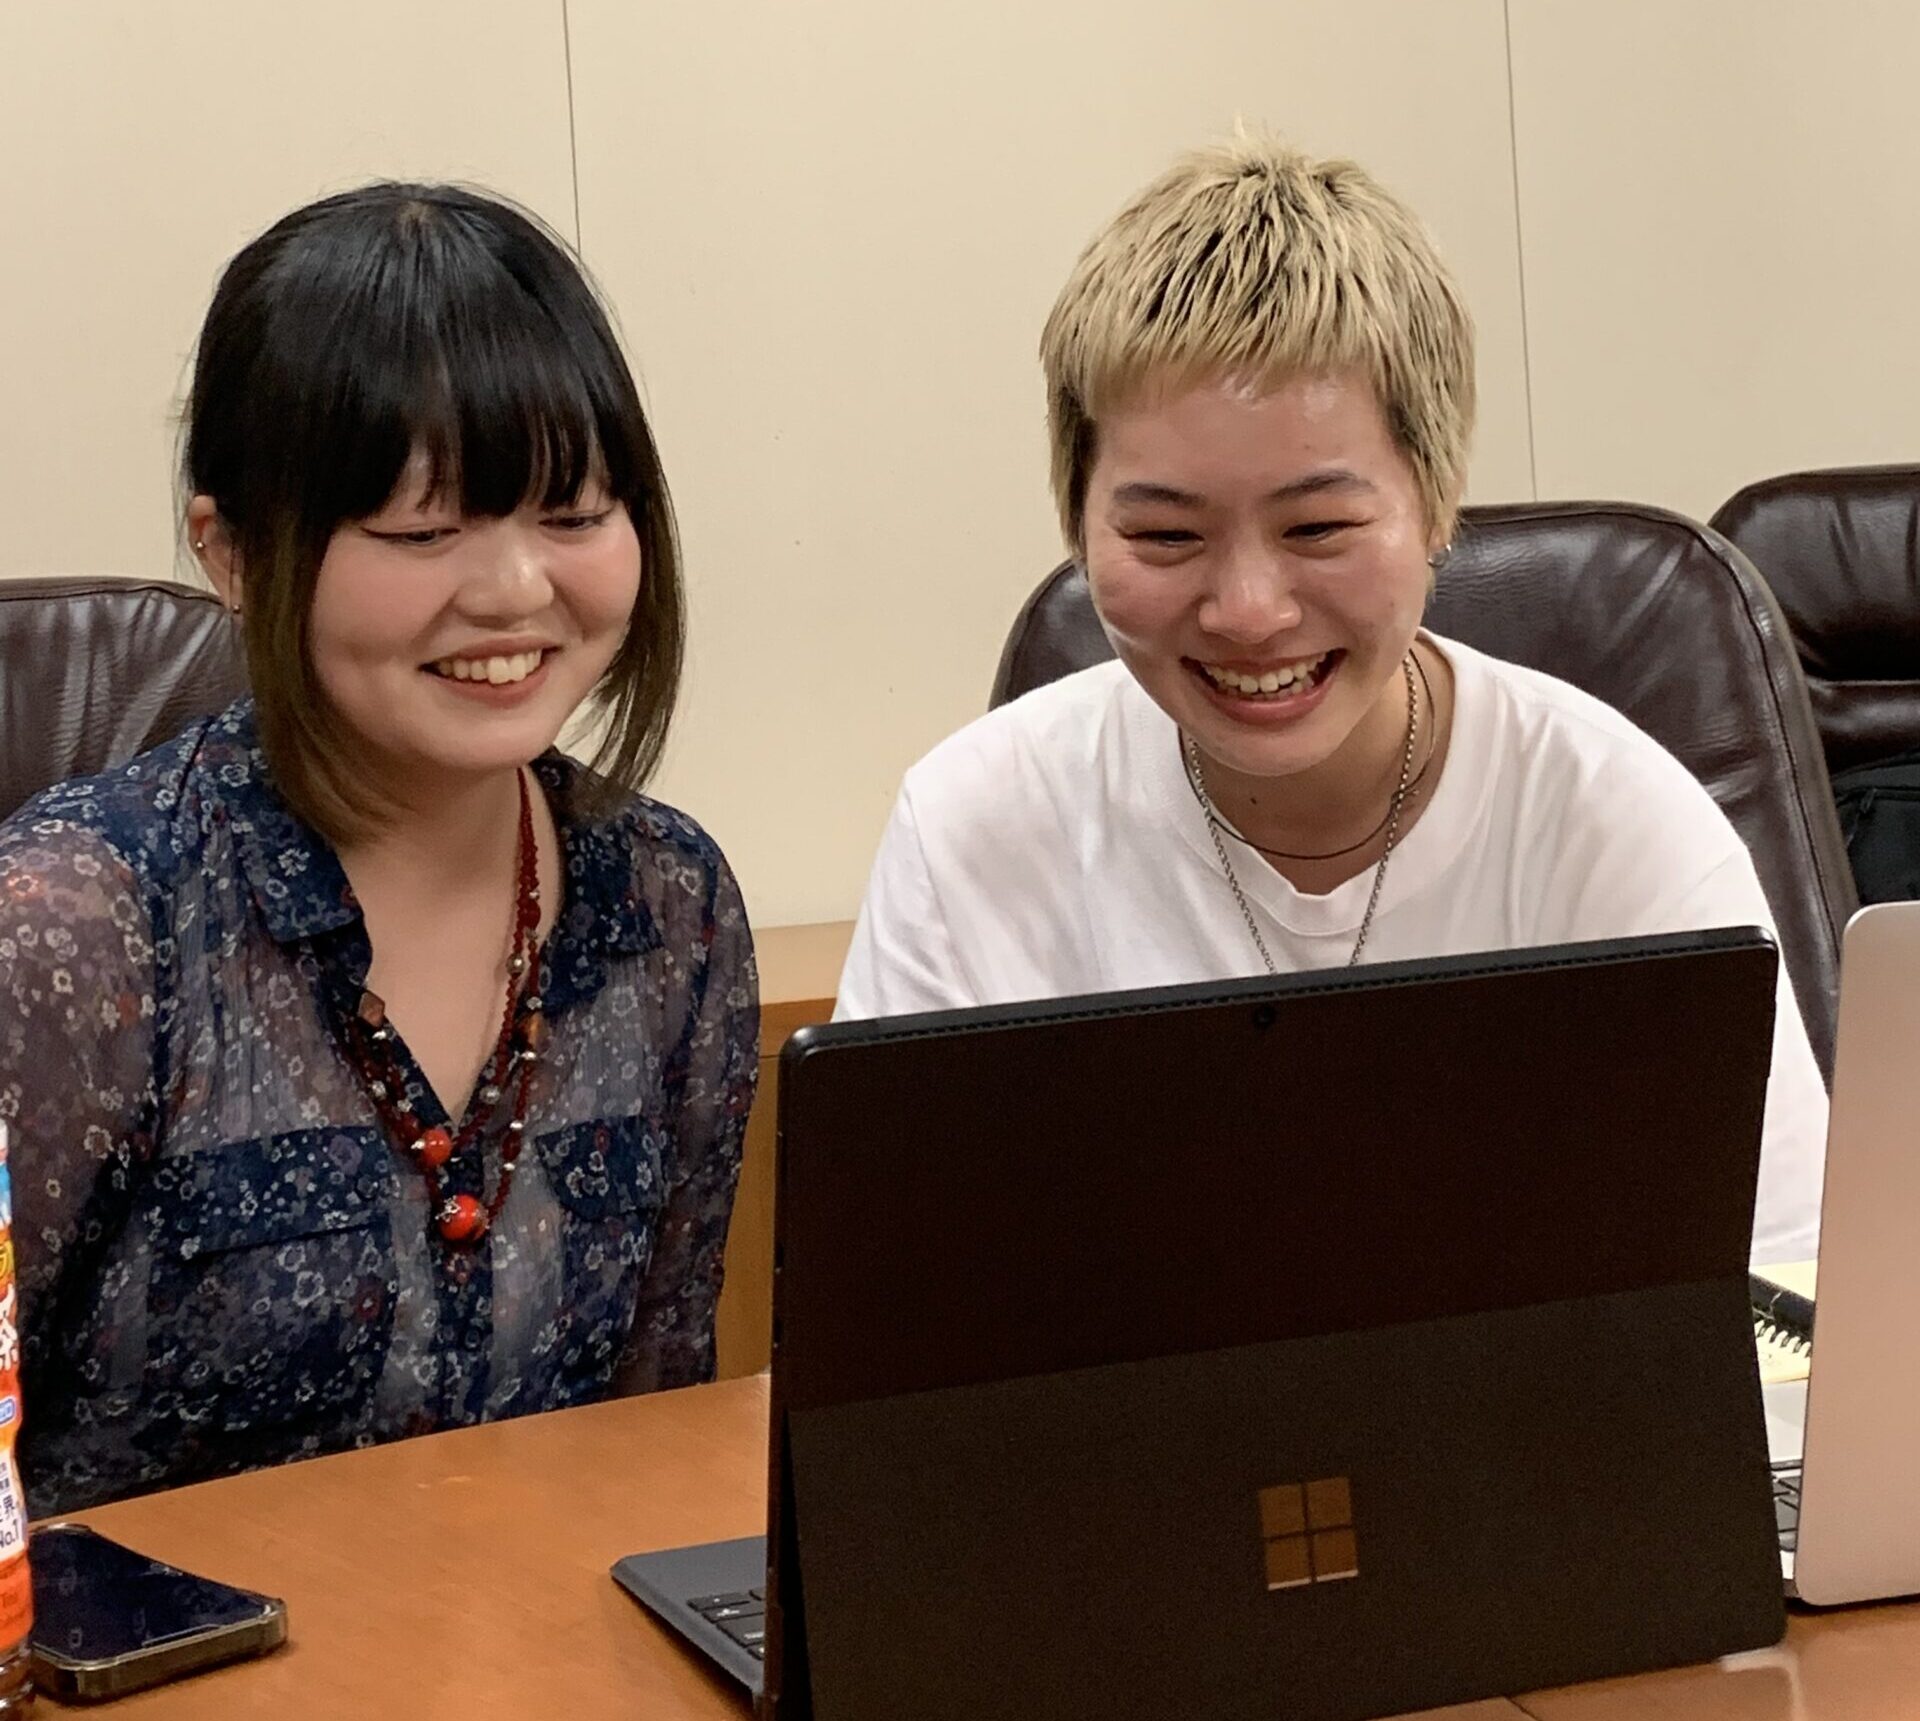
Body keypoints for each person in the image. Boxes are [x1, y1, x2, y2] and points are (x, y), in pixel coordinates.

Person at [836, 135, 1824, 1266]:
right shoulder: (972, 832)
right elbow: (894, 1304)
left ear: (1437, 502)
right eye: (1166, 535)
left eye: (1318, 527)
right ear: (1078, 524)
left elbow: (1789, 1295)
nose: (1249, 611)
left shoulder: (1615, 830)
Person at [0, 184, 757, 1513]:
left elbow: (655, 1439)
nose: (515, 589)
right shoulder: (75, 927)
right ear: (235, 554)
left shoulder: (669, 902)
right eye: (422, 532)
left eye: (574, 514)